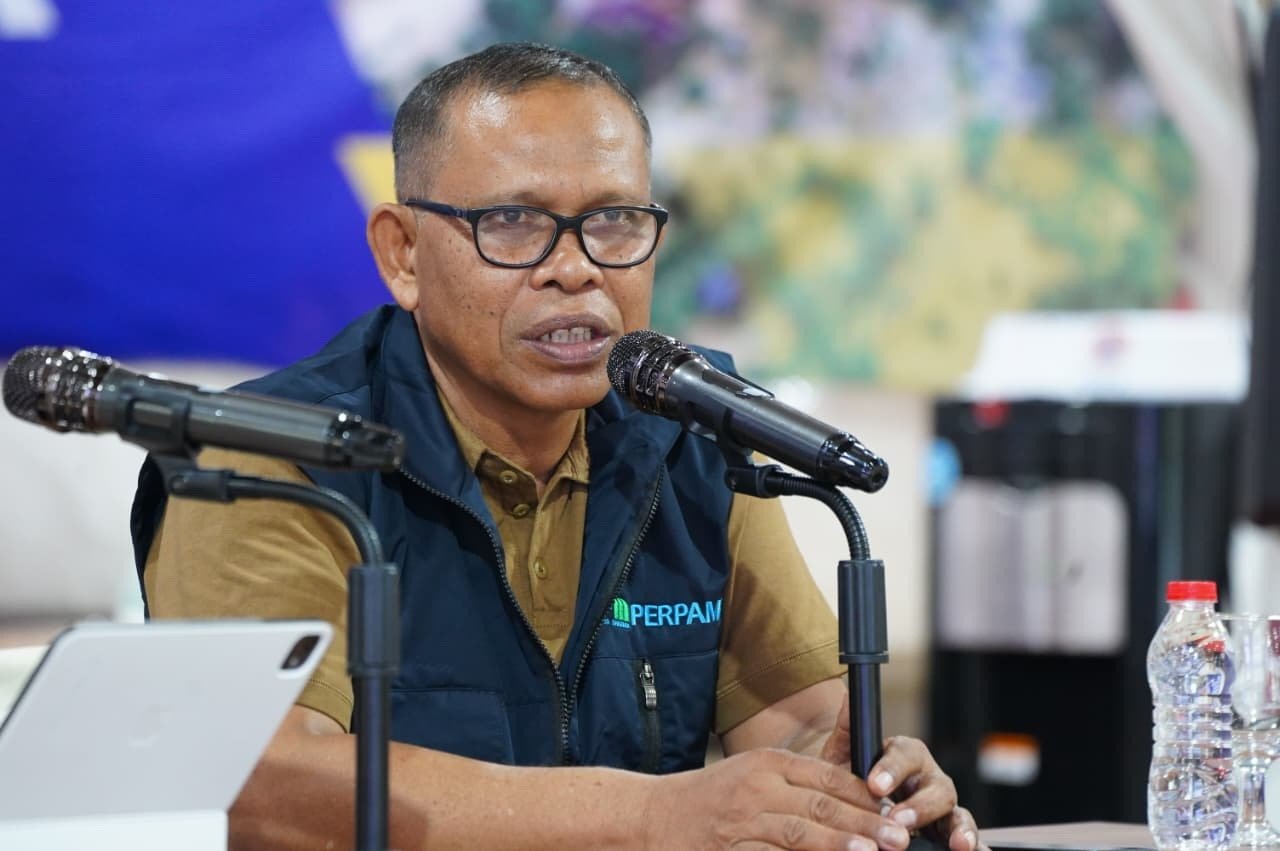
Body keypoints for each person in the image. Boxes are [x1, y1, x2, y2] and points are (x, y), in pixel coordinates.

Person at [132, 42, 985, 851]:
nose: (574, 268)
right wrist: (652, 818)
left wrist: (854, 787)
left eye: (613, 221)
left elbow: (800, 721)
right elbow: (265, 783)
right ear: (403, 254)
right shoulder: (267, 457)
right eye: (513, 222)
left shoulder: (691, 433)